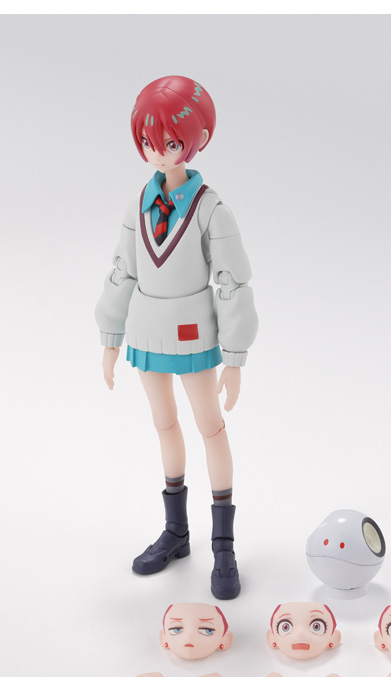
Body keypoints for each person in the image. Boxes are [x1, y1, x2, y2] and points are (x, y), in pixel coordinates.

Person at [95, 76, 258, 599]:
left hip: (194, 336)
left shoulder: (211, 209)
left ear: (197, 139)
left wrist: (235, 355)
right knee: (164, 425)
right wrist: (110, 335)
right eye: (149, 141)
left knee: (210, 428)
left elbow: (232, 283)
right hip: (146, 332)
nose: (158, 151)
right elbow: (122, 270)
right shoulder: (139, 204)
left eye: (169, 141)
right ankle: (176, 532)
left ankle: (223, 546)